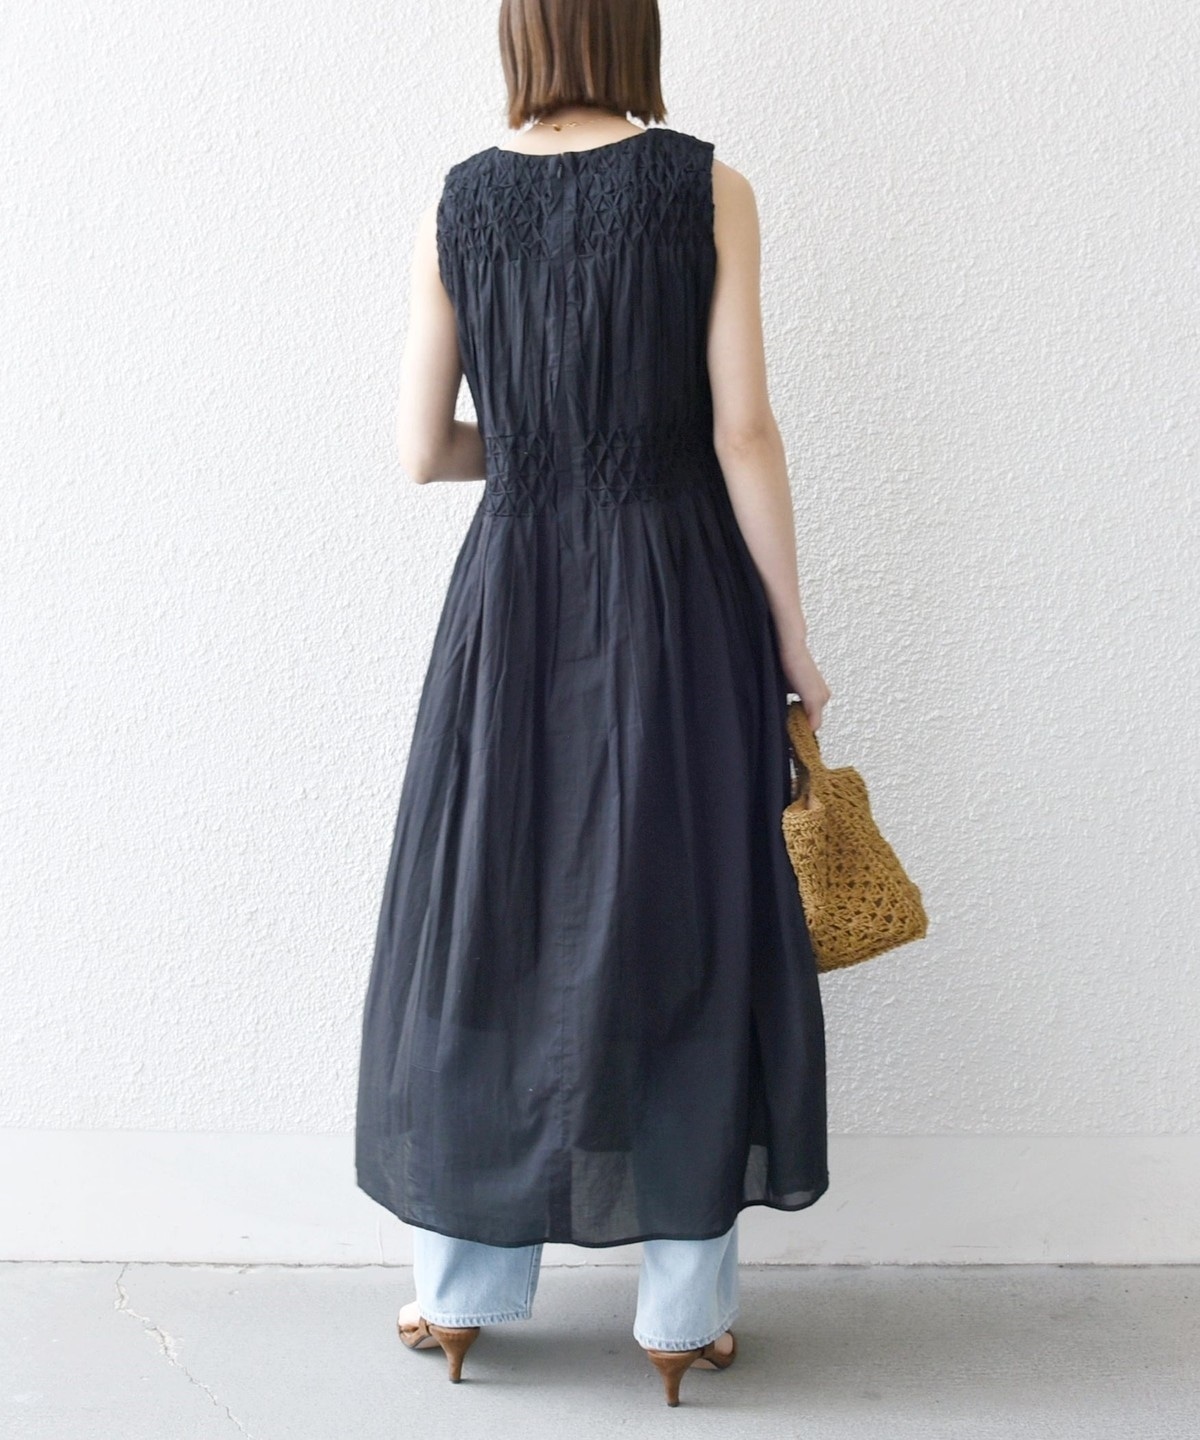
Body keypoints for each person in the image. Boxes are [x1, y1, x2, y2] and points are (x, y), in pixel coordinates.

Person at [355, 0, 832, 1407]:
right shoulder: (708, 187)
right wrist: (794, 635)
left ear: (521, 35)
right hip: (679, 590)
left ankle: (459, 1294)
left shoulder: (461, 202)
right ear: (636, 29)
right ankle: (680, 1313)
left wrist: (542, 442)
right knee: (688, 923)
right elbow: (742, 428)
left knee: (489, 922)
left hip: (515, 599)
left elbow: (420, 450)